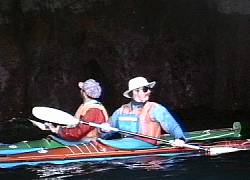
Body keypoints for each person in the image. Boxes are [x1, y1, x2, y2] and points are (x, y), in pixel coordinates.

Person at [108, 76, 186, 146]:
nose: (149, 91)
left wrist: (180, 139)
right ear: (135, 91)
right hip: (126, 148)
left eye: (149, 89)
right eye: (145, 89)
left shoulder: (155, 108)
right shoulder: (120, 112)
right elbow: (103, 133)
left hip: (149, 154)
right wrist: (103, 130)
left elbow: (173, 127)